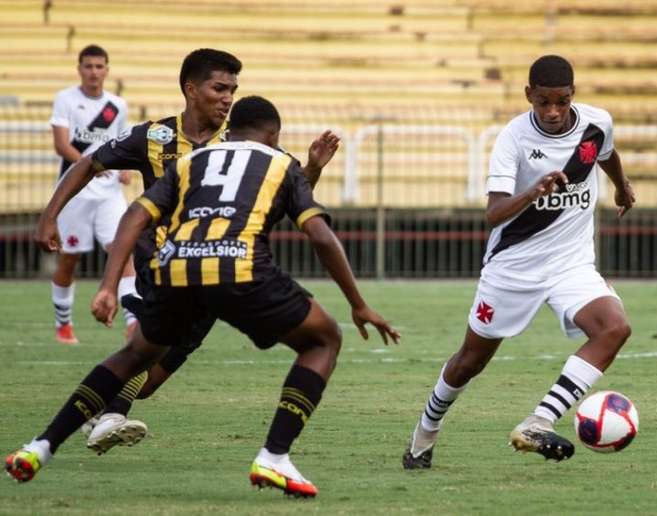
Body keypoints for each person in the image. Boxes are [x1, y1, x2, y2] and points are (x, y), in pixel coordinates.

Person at [6, 95, 400, 498]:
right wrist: (358, 303)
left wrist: (108, 284)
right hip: (239, 266)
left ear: (230, 129)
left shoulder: (190, 162)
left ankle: (41, 446)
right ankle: (274, 456)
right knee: (324, 339)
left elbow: (134, 216)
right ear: (274, 135)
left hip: (176, 267)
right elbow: (318, 233)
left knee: (136, 360)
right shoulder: (280, 161)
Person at [34, 48, 340, 456]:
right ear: (190, 89)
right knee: (138, 352)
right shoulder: (154, 136)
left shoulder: (244, 143)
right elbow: (89, 164)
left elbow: (292, 189)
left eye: (233, 89)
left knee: (149, 378)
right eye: (219, 88)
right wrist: (50, 215)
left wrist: (315, 167)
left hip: (214, 272)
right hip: (162, 269)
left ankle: (101, 411)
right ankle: (97, 420)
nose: (228, 98)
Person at [402, 55, 636, 468]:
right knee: (469, 362)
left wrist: (622, 187)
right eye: (543, 102)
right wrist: (533, 192)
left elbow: (606, 152)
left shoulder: (597, 123)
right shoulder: (513, 138)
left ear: (572, 95)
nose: (552, 111)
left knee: (614, 327)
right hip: (513, 267)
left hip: (571, 264)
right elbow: (492, 214)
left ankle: (538, 420)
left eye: (561, 102)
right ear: (528, 94)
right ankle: (424, 433)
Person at [48, 44, 137, 345]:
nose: (94, 72)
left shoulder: (117, 106)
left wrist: (123, 169)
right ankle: (64, 324)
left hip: (109, 193)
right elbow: (62, 145)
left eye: (99, 67)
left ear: (107, 71)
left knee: (123, 253)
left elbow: (120, 145)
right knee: (69, 259)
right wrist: (88, 167)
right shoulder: (66, 99)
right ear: (79, 69)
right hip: (76, 192)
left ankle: (133, 323)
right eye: (88, 66)